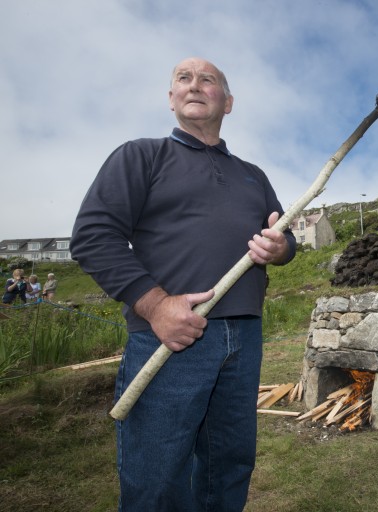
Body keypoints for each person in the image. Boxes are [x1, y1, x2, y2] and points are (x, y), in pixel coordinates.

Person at [70, 57, 297, 511]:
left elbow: (285, 236)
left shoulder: (253, 175)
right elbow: (93, 236)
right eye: (183, 79)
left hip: (244, 336)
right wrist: (155, 306)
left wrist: (282, 248)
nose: (195, 85)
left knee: (229, 464)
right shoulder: (141, 155)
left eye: (208, 80)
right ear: (171, 98)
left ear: (227, 102)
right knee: (156, 476)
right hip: (171, 337)